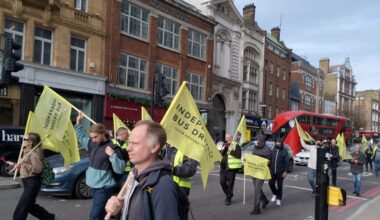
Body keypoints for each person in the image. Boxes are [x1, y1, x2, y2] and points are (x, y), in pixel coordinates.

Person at [105, 120, 179, 220]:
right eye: (129, 142)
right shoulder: (134, 176)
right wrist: (118, 212)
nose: (128, 148)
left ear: (154, 147)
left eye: (135, 143)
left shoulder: (162, 184)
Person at [75, 113, 126, 220]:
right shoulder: (92, 143)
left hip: (104, 188)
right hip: (94, 186)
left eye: (96, 137)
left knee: (94, 216)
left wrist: (112, 155)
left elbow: (120, 169)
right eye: (92, 137)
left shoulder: (113, 147)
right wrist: (78, 122)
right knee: (101, 215)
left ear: (103, 133)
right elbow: (81, 137)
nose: (93, 139)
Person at [13, 133, 55, 220]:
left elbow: (38, 169)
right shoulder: (26, 151)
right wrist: (19, 166)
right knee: (30, 205)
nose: (23, 141)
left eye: (25, 140)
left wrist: (24, 164)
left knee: (22, 206)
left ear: (31, 142)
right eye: (23, 139)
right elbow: (27, 166)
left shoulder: (34, 154)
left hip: (32, 181)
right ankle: (48, 217)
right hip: (27, 180)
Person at [251, 135, 272, 215]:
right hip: (254, 171)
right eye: (255, 140)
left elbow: (270, 161)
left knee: (257, 189)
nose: (256, 141)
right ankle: (265, 200)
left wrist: (268, 162)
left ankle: (256, 209)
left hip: (261, 172)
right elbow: (252, 157)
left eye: (257, 140)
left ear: (261, 140)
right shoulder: (255, 148)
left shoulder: (267, 150)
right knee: (257, 189)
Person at [219, 134, 242, 205]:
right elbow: (221, 154)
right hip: (223, 167)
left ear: (232, 138)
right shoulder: (224, 145)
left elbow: (239, 155)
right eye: (226, 138)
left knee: (230, 184)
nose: (228, 139)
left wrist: (231, 151)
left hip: (231, 168)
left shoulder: (236, 145)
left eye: (229, 137)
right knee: (222, 182)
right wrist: (224, 149)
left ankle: (228, 198)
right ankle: (229, 194)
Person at [269, 139, 289, 206]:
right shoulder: (273, 150)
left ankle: (278, 199)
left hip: (280, 172)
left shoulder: (284, 151)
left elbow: (287, 162)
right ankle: (275, 194)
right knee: (271, 183)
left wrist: (285, 171)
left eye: (279, 142)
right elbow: (270, 160)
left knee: (279, 186)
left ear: (282, 143)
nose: (278, 143)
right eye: (277, 142)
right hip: (272, 171)